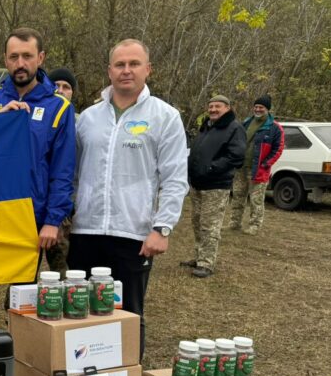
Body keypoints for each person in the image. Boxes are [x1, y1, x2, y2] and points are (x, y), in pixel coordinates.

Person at [68, 38, 188, 354]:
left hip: (133, 235)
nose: (126, 71)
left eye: (134, 64)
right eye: (119, 64)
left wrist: (162, 228)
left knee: (128, 315)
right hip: (86, 232)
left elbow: (175, 178)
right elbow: (74, 173)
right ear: (109, 71)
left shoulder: (165, 116)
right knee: (79, 313)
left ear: (147, 69)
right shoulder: (87, 118)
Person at [0, 28, 76, 315]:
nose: (20, 63)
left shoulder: (59, 108)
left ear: (40, 58)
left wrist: (52, 221)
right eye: (14, 57)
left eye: (27, 56)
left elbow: (62, 171)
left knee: (21, 302)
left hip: (28, 218)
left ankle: (19, 354)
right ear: (5, 59)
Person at [182, 95, 246, 278]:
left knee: (210, 225)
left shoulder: (235, 128)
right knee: (197, 221)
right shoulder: (207, 126)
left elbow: (236, 156)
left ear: (227, 108)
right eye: (210, 106)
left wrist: (212, 168)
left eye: (218, 106)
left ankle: (206, 263)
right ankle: (198, 256)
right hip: (197, 184)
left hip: (216, 185)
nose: (213, 110)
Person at [42, 66, 78, 276]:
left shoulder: (82, 122)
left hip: (68, 209)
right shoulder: (39, 118)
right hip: (39, 202)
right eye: (56, 85)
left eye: (66, 87)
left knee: (63, 270)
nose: (61, 90)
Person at [230, 94, 284, 235]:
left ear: (267, 109)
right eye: (256, 107)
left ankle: (254, 225)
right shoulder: (247, 122)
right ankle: (234, 223)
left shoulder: (275, 128)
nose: (258, 109)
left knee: (256, 200)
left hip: (259, 170)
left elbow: (278, 149)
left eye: (261, 107)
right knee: (238, 196)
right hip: (241, 167)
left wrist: (266, 163)